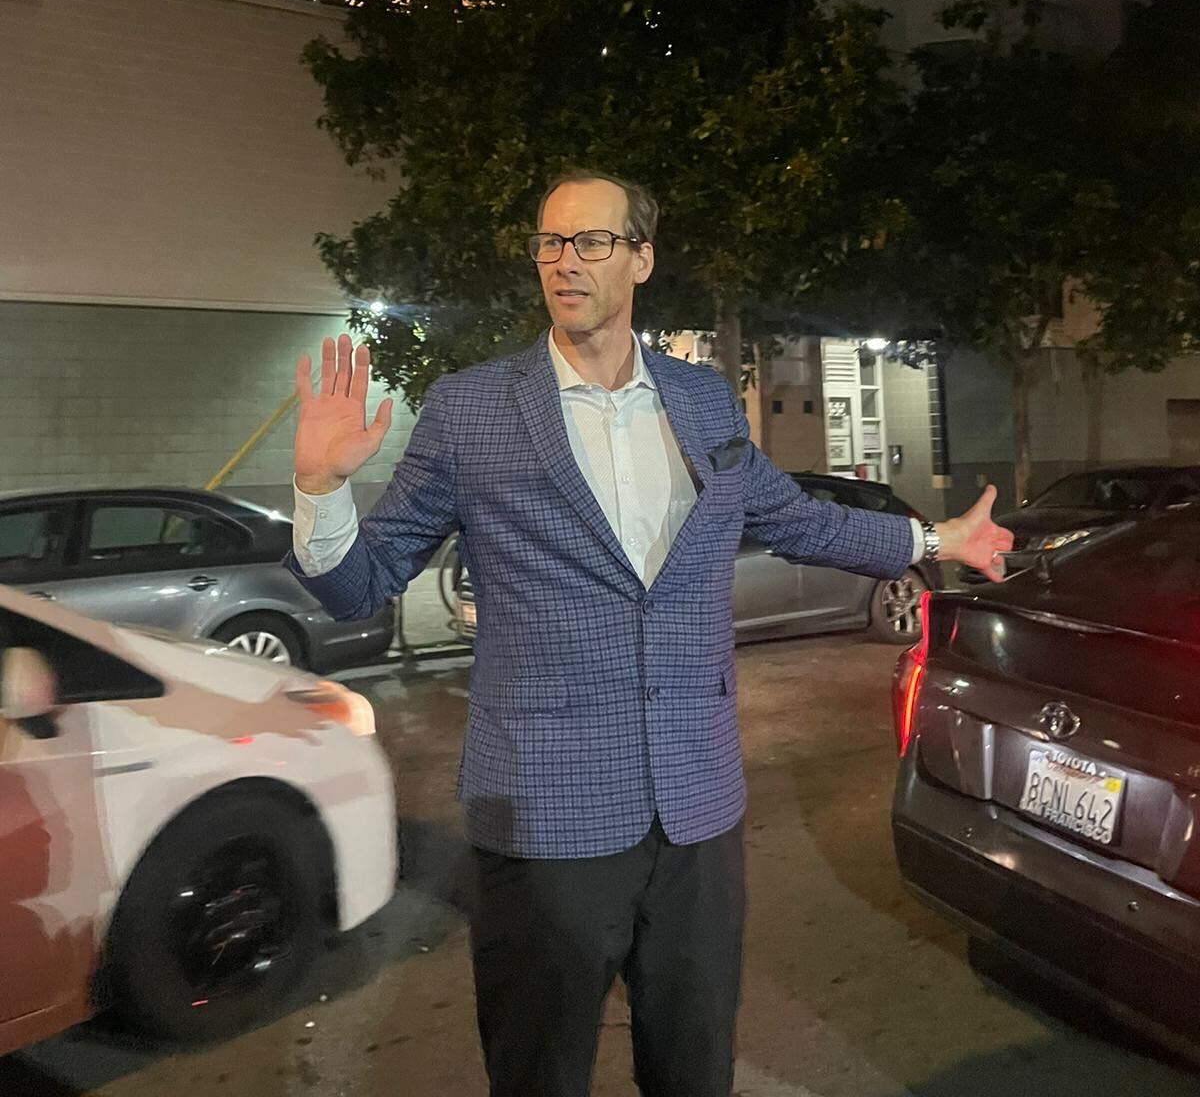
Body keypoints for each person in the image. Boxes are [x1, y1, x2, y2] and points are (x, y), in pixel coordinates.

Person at [286, 169, 1012, 1097]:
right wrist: (319, 488)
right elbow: (362, 583)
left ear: (640, 259)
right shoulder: (471, 408)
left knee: (695, 1068)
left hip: (698, 812)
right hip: (546, 819)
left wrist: (933, 538)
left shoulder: (702, 400)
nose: (564, 261)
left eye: (591, 241)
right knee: (540, 1072)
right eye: (550, 242)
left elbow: (796, 519)